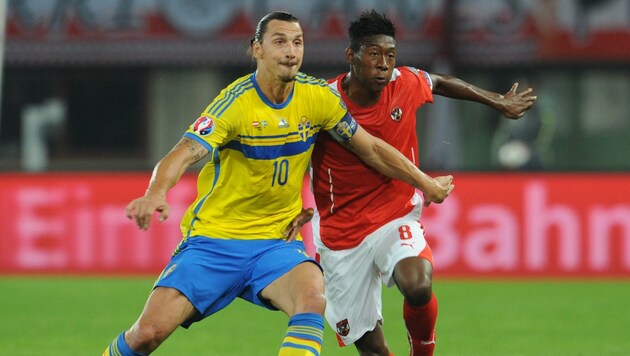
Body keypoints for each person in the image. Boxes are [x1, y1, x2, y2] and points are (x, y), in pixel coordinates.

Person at [102, 11, 453, 356]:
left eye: (297, 42)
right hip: (215, 243)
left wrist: (424, 183)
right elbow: (181, 154)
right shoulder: (235, 104)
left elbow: (373, 150)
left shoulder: (317, 98)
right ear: (257, 49)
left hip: (275, 244)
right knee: (147, 335)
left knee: (312, 299)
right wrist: (155, 193)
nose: (291, 51)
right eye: (280, 41)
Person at [309, 10, 537, 356]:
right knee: (372, 349)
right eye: (373, 55)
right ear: (351, 56)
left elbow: (439, 82)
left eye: (390, 55)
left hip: (394, 215)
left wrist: (496, 100)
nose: (384, 64)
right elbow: (296, 152)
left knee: (417, 284)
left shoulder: (405, 83)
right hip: (341, 235)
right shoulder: (324, 102)